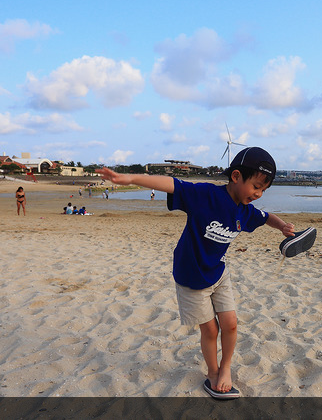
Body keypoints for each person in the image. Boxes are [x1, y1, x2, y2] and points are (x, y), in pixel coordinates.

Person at [96, 147, 295, 399]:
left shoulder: (245, 211)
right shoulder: (205, 195)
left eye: (263, 190)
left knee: (231, 324)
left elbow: (266, 217)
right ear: (236, 176)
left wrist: (282, 227)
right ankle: (212, 373)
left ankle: (226, 368)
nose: (258, 194)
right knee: (210, 330)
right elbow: (173, 184)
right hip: (191, 277)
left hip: (218, 273)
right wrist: (131, 178)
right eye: (256, 186)